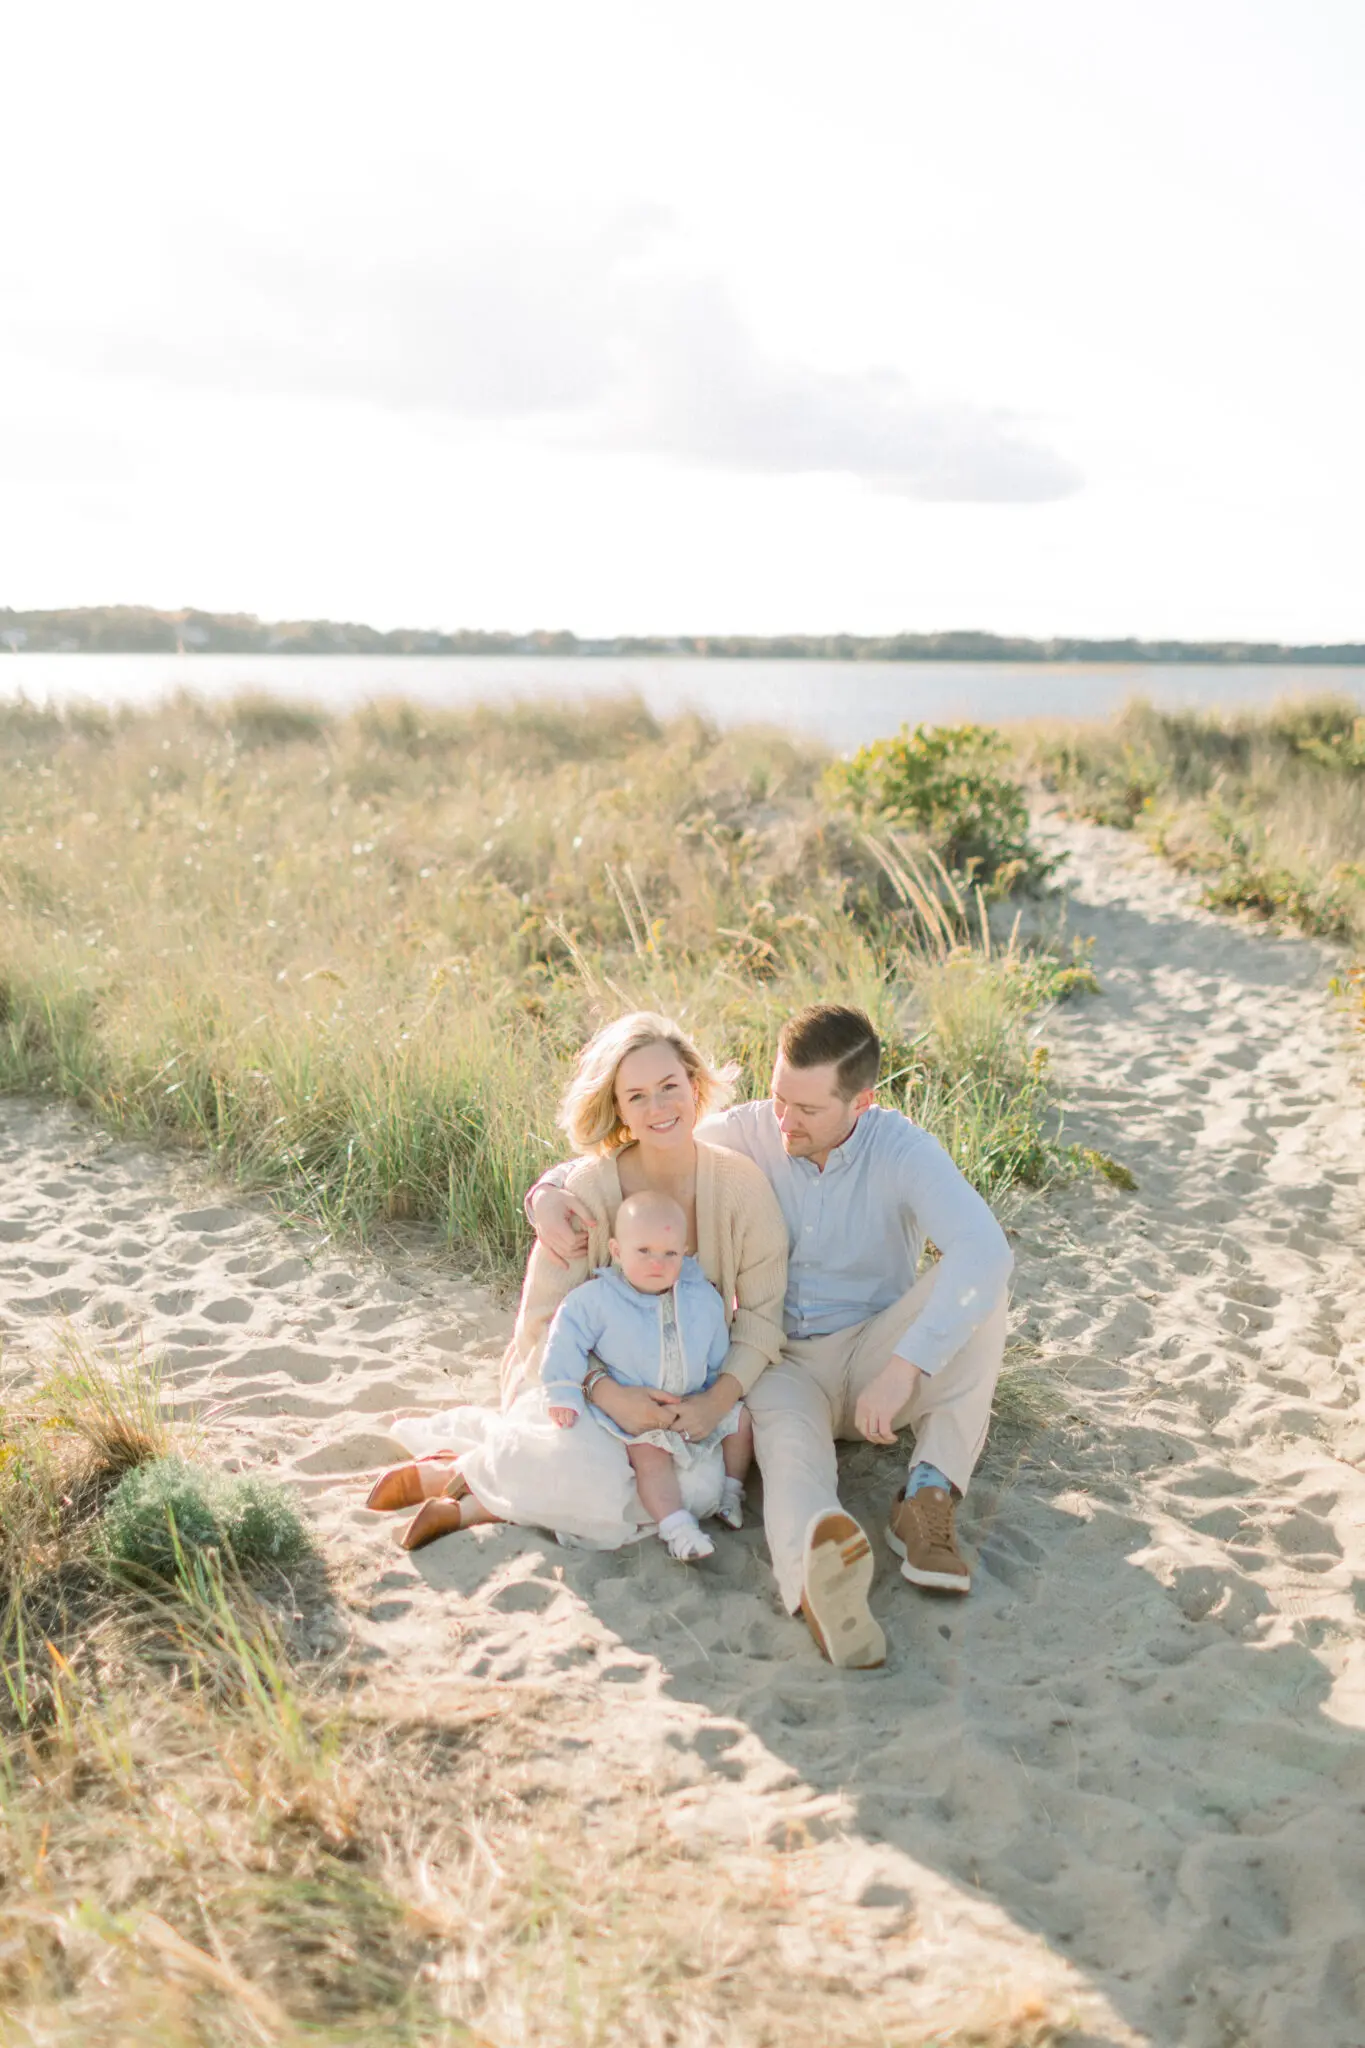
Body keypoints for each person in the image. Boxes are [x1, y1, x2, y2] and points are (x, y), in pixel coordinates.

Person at [529, 1003, 1013, 1670]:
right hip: (780, 1363)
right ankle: (818, 1574)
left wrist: (904, 1366)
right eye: (780, 1097)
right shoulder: (748, 1132)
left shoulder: (901, 1150)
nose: (785, 1121)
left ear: (861, 1103)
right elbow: (640, 1145)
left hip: (879, 1356)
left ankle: (928, 1493)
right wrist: (544, 1191)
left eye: (807, 1110)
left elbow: (983, 1251)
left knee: (986, 1287)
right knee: (789, 1464)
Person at [364, 1012, 786, 1557]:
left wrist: (715, 1402)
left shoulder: (741, 1188)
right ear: (618, 1110)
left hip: (683, 1403)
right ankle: (473, 1496)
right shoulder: (587, 1191)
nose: (658, 1108)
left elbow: (760, 1321)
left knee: (701, 1491)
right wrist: (607, 1394)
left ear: (694, 1085)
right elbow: (542, 1326)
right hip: (578, 1385)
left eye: (668, 1087)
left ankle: (477, 1488)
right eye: (637, 1097)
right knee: (586, 1465)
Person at [542, 1189, 754, 1561]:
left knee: (742, 1422)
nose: (657, 1262)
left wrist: (711, 1397)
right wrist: (562, 1392)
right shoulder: (597, 1299)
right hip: (638, 1415)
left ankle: (732, 1493)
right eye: (643, 1251)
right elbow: (565, 1341)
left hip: (691, 1403)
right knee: (650, 1455)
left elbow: (717, 1348)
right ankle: (678, 1528)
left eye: (670, 1253)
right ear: (617, 1249)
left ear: (684, 1253)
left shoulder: (701, 1297)